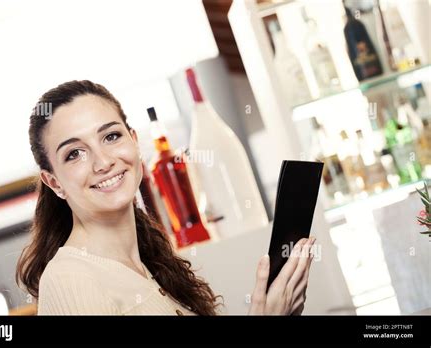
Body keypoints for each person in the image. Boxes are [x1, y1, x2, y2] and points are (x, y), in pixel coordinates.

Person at [16, 80, 315, 315]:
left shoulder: (152, 263)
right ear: (54, 182)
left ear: (134, 141)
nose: (102, 161)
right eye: (74, 154)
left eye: (110, 136)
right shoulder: (70, 280)